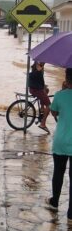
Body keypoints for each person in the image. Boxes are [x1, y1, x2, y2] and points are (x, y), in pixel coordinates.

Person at [45, 68, 72, 222]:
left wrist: (63, 91)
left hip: (61, 141)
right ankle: (71, 212)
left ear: (66, 79)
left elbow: (54, 112)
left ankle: (55, 201)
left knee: (58, 172)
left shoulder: (60, 95)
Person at [28, 61, 50, 133]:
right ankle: (43, 124)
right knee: (49, 105)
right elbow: (36, 75)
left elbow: (39, 80)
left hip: (35, 88)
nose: (45, 62)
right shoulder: (38, 67)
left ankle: (42, 108)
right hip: (36, 90)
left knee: (46, 90)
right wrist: (39, 70)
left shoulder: (38, 66)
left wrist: (44, 87)